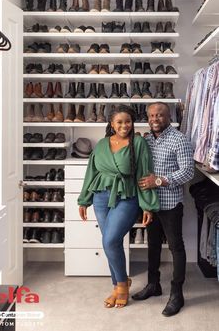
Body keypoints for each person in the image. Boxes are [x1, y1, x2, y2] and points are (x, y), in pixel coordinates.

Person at [78, 105, 159, 309]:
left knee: (111, 240)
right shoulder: (102, 144)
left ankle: (121, 286)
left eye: (128, 121)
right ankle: (118, 284)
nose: (124, 125)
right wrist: (84, 199)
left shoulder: (138, 142)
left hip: (126, 196)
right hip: (100, 197)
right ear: (112, 124)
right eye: (120, 122)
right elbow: (92, 172)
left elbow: (143, 173)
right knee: (109, 243)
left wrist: (147, 205)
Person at [132, 102, 194, 317]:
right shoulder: (147, 140)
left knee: (176, 247)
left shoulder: (180, 139)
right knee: (153, 245)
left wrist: (158, 180)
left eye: (159, 115)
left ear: (168, 117)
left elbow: (187, 172)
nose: (154, 119)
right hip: (150, 204)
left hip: (170, 203)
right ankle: (153, 285)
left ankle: (177, 293)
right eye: (151, 116)